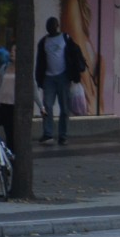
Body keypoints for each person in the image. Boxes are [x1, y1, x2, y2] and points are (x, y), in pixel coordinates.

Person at [35, 16, 86, 146]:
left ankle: (63, 135)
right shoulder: (43, 42)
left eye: (52, 26)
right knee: (47, 105)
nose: (50, 29)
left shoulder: (65, 38)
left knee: (64, 108)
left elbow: (75, 53)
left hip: (63, 77)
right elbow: (40, 62)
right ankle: (48, 133)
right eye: (48, 27)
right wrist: (39, 79)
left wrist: (75, 74)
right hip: (49, 78)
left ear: (57, 26)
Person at [0, 44, 44, 145]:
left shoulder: (25, 70)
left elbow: (33, 88)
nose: (12, 52)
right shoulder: (4, 68)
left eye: (15, 50)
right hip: (4, 105)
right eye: (11, 50)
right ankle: (10, 156)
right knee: (8, 134)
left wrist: (41, 106)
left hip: (17, 106)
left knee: (15, 134)